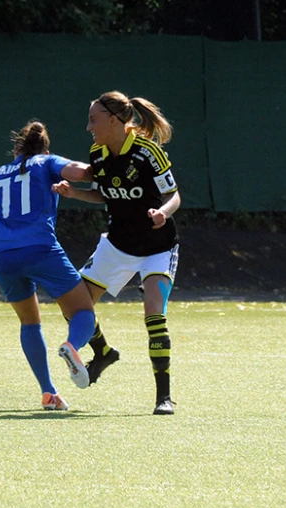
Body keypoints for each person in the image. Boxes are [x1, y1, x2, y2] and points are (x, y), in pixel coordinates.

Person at [54, 91, 181, 415]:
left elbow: (174, 195)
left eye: (93, 119)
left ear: (114, 120)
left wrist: (163, 212)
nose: (88, 127)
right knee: (73, 304)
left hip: (157, 247)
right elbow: (105, 196)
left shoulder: (147, 151)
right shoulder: (97, 153)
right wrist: (75, 194)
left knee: (154, 312)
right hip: (117, 245)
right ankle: (104, 352)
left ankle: (163, 397)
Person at [0, 120, 103, 411]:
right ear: (44, 147)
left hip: (3, 255)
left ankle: (48, 392)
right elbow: (82, 172)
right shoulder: (47, 162)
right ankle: (72, 347)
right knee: (83, 311)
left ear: (17, 148)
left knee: (29, 322)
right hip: (40, 249)